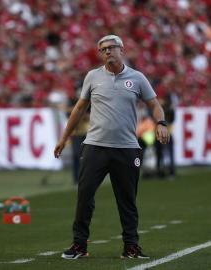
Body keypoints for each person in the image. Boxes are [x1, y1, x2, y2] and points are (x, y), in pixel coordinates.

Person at [54, 35, 169, 259]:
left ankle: (131, 247)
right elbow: (79, 109)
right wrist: (64, 138)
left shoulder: (137, 78)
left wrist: (161, 123)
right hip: (95, 146)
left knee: (127, 200)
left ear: (121, 50)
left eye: (111, 48)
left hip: (127, 148)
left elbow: (154, 104)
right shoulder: (92, 76)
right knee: (84, 195)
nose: (107, 52)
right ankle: (79, 245)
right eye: (103, 49)